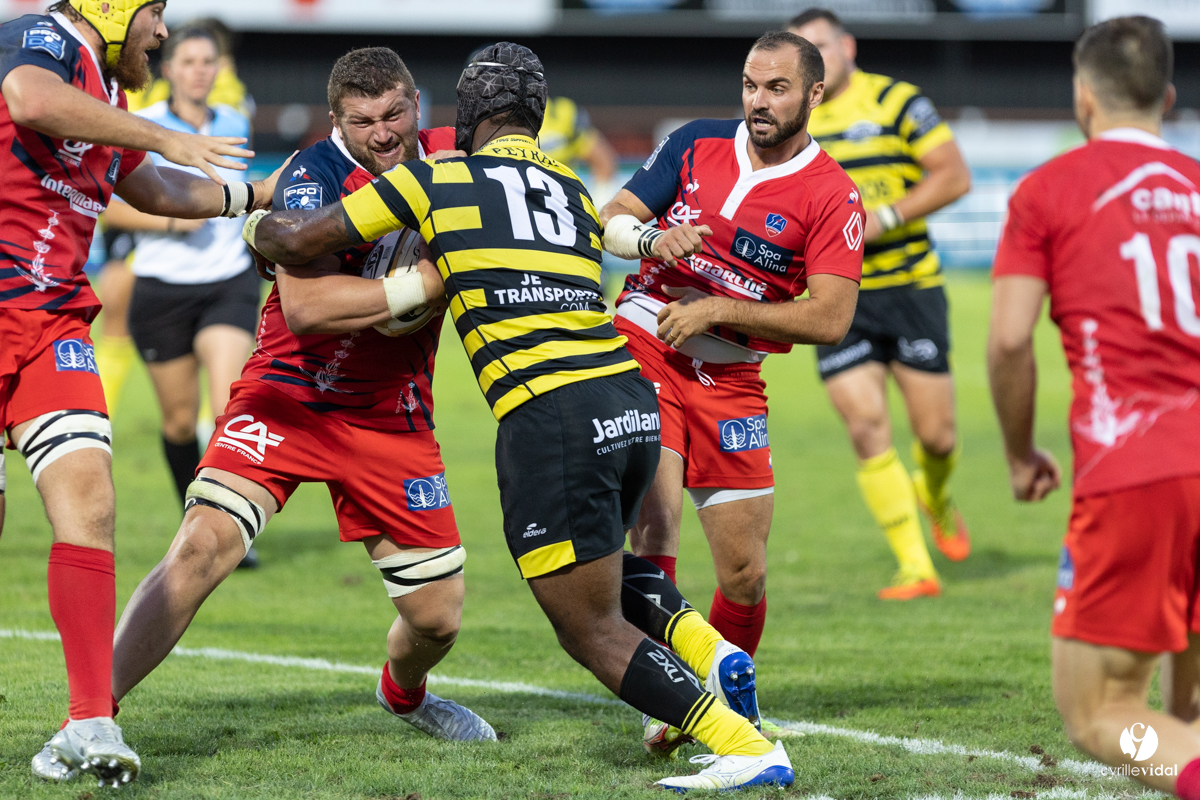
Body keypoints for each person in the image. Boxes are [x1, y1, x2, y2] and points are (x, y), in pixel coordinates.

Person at [247, 42, 795, 792]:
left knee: (585, 625)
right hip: (631, 401)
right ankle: (708, 649)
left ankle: (740, 744)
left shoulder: (435, 176)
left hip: (550, 415)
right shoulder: (569, 187)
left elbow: (307, 239)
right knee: (599, 570)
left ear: (466, 115)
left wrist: (259, 225)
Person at [111, 46, 497, 752]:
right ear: (335, 122)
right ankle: (91, 717)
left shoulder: (454, 161)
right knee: (200, 546)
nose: (383, 133)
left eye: (395, 114)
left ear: (419, 102)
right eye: (362, 120)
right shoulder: (312, 174)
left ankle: (403, 695)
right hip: (288, 396)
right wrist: (435, 281)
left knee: (438, 617)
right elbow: (310, 308)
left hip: (391, 415)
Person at [0, 0, 283, 786]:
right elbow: (27, 97)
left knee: (90, 498)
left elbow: (161, 189)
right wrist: (165, 131)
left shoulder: (113, 101)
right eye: (156, 15)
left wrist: (257, 197)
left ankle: (91, 720)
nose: (162, 34)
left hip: (52, 319)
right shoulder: (40, 39)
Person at [599, 30, 861, 672]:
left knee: (744, 573)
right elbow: (610, 218)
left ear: (814, 94)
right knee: (656, 529)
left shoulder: (832, 193)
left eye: (777, 88)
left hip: (733, 377)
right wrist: (650, 242)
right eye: (750, 86)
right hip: (647, 342)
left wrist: (718, 309)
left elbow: (831, 319)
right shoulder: (694, 143)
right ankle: (667, 702)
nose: (759, 101)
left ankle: (721, 697)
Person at [989, 16, 1200, 799]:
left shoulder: (1051, 190)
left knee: (1106, 716)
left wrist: (1018, 453)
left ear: (1083, 99)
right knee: (1188, 711)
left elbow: (1010, 340)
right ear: (1168, 97)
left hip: (1138, 471)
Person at [787, 8, 973, 600]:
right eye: (802, 52)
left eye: (820, 47)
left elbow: (954, 176)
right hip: (840, 294)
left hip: (911, 286)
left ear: (847, 45)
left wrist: (884, 218)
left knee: (938, 437)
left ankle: (937, 497)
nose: (813, 60)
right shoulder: (795, 121)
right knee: (867, 426)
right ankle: (915, 567)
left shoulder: (897, 102)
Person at [104, 27, 260, 564]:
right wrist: (171, 225)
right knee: (177, 422)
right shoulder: (143, 128)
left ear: (219, 68)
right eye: (188, 60)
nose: (199, 70)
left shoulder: (236, 123)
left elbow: (245, 196)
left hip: (228, 283)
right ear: (168, 69)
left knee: (227, 409)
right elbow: (106, 207)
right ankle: (192, 521)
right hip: (163, 289)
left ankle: (231, 529)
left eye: (207, 61)